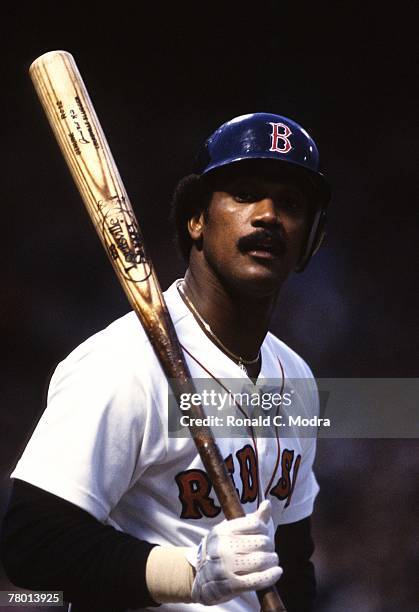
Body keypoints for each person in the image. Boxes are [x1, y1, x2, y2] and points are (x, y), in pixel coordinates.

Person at [1, 112, 330, 612]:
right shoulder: (122, 363)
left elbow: (292, 557)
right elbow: (31, 541)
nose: (267, 215)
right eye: (243, 193)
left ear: (309, 239)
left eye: (290, 203)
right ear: (196, 219)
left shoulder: (297, 378)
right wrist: (187, 574)